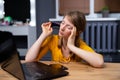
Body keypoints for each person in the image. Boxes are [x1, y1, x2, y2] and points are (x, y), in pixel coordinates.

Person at [25, 11, 104, 68]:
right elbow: (29, 59)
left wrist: (71, 46)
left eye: (68, 27)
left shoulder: (80, 45)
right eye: (62, 23)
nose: (62, 28)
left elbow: (99, 62)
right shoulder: (53, 40)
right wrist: (43, 35)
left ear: (77, 32)